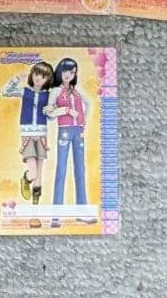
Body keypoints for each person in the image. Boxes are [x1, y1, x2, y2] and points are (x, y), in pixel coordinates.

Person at [1, 61, 54, 228]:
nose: (39, 78)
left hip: (42, 135)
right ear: (32, 74)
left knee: (39, 175)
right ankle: (25, 178)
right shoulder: (25, 91)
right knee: (33, 172)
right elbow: (5, 92)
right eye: (37, 74)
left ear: (48, 79)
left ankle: (34, 215)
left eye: (43, 76)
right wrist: (16, 78)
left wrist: (50, 111)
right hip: (27, 134)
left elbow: (52, 116)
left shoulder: (49, 95)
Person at [46, 58, 96, 228]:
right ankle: (56, 216)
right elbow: (50, 113)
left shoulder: (77, 90)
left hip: (78, 132)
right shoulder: (55, 91)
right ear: (60, 71)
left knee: (80, 171)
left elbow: (89, 103)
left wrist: (84, 121)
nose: (69, 75)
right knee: (61, 170)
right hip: (65, 131)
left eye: (72, 72)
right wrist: (66, 110)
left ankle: (82, 212)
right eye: (66, 71)